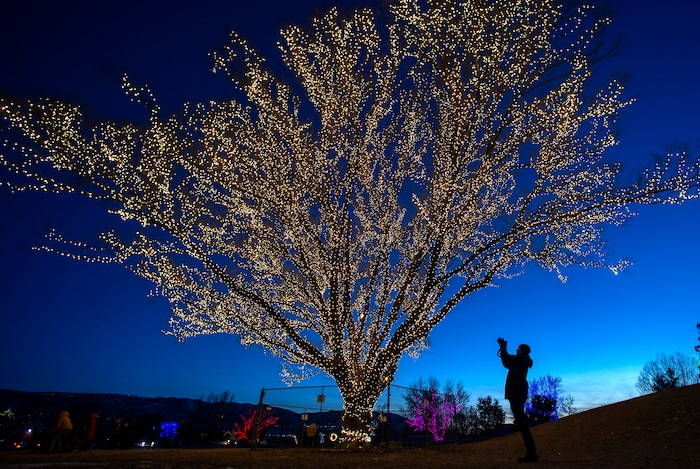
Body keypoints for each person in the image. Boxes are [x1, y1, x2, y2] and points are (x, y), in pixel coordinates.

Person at [497, 337, 538, 463]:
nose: (516, 350)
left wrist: (503, 347)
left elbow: (507, 361)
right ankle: (531, 453)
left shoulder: (520, 360)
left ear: (522, 351)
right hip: (518, 394)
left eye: (518, 349)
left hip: (516, 394)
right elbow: (508, 360)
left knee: (522, 424)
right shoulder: (522, 361)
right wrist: (503, 348)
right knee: (521, 423)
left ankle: (532, 454)